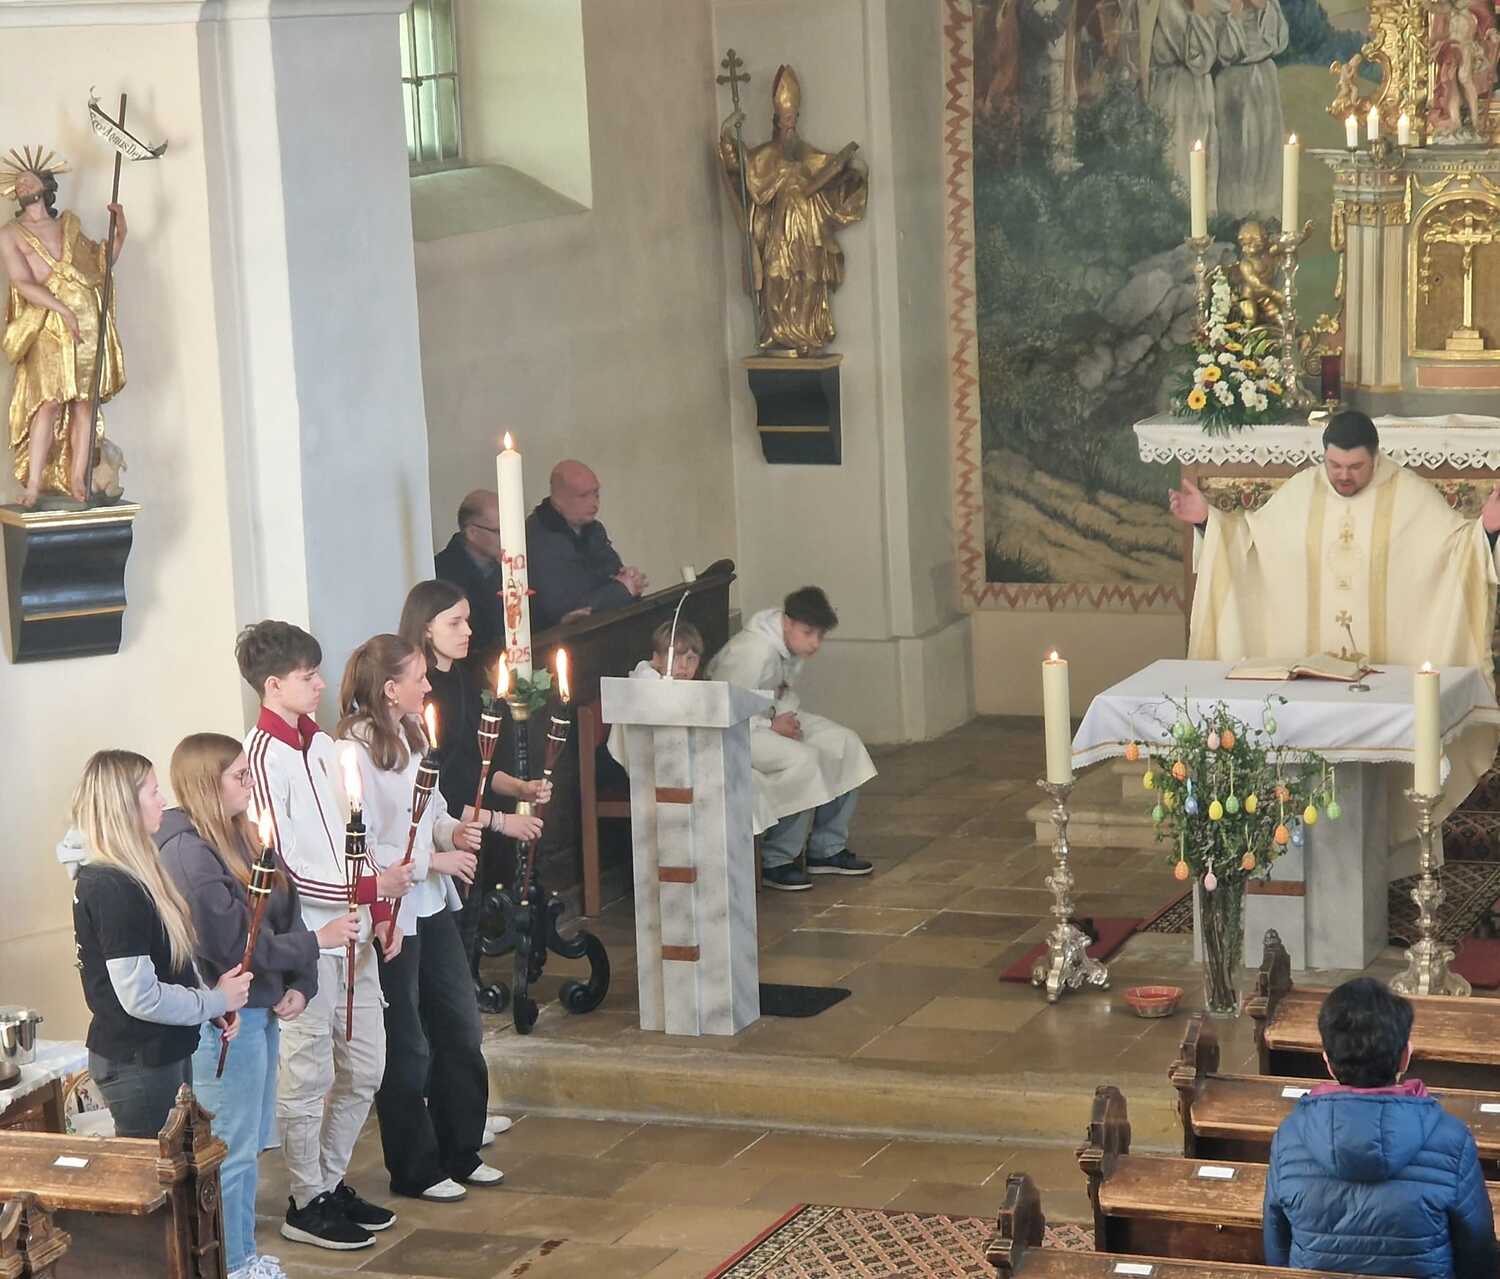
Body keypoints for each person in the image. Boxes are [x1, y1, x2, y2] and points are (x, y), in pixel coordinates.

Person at [1171, 409, 1500, 829]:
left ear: (1376, 458)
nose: (1344, 476)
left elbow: (1458, 552)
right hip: (1313, 686)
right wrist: (1207, 521)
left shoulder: (1409, 494)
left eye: (1355, 467)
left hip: (1381, 686)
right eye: (1335, 465)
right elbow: (1249, 544)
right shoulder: (1301, 492)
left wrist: (1487, 531)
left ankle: (1390, 852)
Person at [238, 620, 413, 1253]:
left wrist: (380, 906)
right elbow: (278, 861)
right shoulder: (262, 755)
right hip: (310, 939)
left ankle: (330, 1182)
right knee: (308, 1075)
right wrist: (364, 890)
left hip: (356, 929)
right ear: (273, 685)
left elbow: (351, 834)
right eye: (307, 676)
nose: (320, 684)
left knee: (366, 1066)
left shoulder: (321, 745)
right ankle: (305, 1199)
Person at [158, 733, 330, 1279]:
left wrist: (301, 980)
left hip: (261, 1007)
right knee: (228, 1146)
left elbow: (285, 908)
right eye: (239, 775)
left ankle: (242, 1252)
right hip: (225, 1021)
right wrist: (316, 943)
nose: (250, 783)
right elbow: (232, 944)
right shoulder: (186, 852)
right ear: (207, 784)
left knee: (249, 1141)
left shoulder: (245, 833)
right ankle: (231, 1262)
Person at [338, 634, 499, 1202]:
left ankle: (462, 1149)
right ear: (390, 688)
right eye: (418, 677)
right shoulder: (352, 751)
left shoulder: (415, 732)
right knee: (406, 1042)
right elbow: (362, 843)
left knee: (461, 1026)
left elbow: (431, 813)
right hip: (393, 913)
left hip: (430, 903)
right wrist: (437, 859)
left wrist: (453, 832)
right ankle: (416, 1168)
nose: (428, 685)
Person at [69, 750, 252, 1139]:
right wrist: (215, 1000)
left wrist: (209, 1004)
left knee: (182, 1162)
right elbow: (141, 997)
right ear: (125, 805)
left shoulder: (134, 873)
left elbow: (169, 959)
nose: (163, 800)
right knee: (160, 1171)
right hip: (139, 1059)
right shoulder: (112, 885)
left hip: (159, 1052)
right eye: (153, 791)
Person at [1264, 977, 1497, 1278]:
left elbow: (1277, 1245)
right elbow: (1477, 1252)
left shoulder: (1289, 1137)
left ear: (1328, 1062)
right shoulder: (1451, 1139)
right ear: (1405, 1057)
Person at [396, 580, 547, 1034]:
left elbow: (478, 765)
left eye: (467, 621)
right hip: (441, 831)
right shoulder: (421, 695)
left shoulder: (462, 678)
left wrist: (519, 787)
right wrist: (499, 821)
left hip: (466, 825)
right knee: (448, 939)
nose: (467, 631)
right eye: (455, 622)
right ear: (426, 628)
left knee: (468, 927)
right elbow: (439, 784)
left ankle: (463, 1000)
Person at [707, 587, 878, 891]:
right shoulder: (753, 652)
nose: (815, 643)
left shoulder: (786, 644)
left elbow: (782, 693)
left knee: (844, 742)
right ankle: (777, 859)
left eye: (820, 635)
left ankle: (826, 848)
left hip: (773, 717)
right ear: (787, 622)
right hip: (736, 732)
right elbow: (724, 708)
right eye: (808, 633)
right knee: (803, 760)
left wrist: (783, 718)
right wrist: (771, 725)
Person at [0, 148, 127, 505]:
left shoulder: (68, 226)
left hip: (84, 316)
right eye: (19, 182)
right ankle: (33, 484)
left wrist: (120, 235)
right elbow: (22, 282)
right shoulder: (10, 234)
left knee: (85, 403)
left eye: (30, 180)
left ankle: (77, 479)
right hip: (46, 320)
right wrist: (61, 309)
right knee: (49, 401)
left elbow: (98, 265)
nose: (23, 184)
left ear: (46, 186)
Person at [716, 64, 867, 354]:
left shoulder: (806, 152)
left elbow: (831, 168)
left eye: (793, 117)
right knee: (775, 275)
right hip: (778, 228)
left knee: (807, 277)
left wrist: (853, 170)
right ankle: (778, 332)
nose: (790, 122)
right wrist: (727, 130)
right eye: (785, 118)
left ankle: (806, 333)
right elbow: (738, 164)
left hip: (806, 226)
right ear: (776, 119)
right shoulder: (766, 154)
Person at [1122, 0, 1218, 218]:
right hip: (1180, 94)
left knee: (1193, 165)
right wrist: (1199, 16)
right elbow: (1200, 56)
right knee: (1181, 167)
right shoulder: (1169, 6)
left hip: (1185, 90)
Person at [526, 460, 648, 629]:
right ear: (559, 500)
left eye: (596, 493)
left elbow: (613, 575)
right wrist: (622, 589)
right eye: (583, 496)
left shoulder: (594, 529)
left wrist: (630, 579)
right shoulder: (539, 539)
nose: (594, 503)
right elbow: (566, 609)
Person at [1214, 0, 1288, 220]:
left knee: (1266, 146)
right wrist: (1234, 14)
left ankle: (1267, 217)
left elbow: (1279, 41)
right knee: (1236, 152)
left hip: (1264, 77)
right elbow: (1224, 51)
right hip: (1232, 81)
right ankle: (1235, 216)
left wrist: (1264, 7)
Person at [433, 490, 506, 664]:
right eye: (500, 530)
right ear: (472, 533)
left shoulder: (511, 565)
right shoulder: (443, 575)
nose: (509, 536)